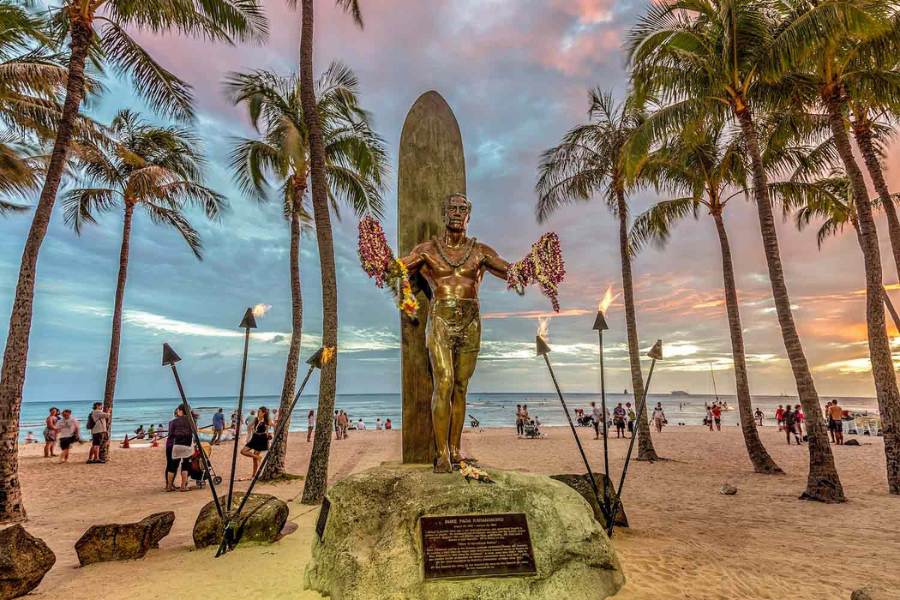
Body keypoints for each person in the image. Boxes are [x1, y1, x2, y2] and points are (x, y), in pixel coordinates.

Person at [166, 406, 194, 491]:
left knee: (172, 466)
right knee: (185, 465)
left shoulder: (175, 421)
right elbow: (194, 431)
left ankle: (169, 486)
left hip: (177, 444)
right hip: (187, 444)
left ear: (181, 410)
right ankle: (183, 486)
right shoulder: (191, 420)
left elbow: (171, 434)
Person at [241, 406, 272, 478]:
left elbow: (271, 424)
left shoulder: (266, 419)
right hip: (254, 437)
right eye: (257, 411)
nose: (258, 413)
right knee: (243, 451)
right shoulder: (256, 418)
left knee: (254, 460)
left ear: (263, 413)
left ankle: (254, 475)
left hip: (262, 438)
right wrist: (251, 426)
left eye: (259, 411)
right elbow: (249, 425)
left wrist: (275, 424)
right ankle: (258, 457)